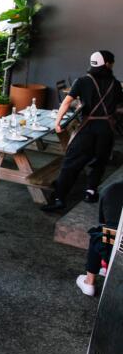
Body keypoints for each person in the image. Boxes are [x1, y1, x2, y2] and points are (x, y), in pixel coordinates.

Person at [42, 51, 123, 211]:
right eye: (111, 63)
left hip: (86, 129)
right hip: (106, 129)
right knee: (99, 161)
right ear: (107, 64)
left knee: (71, 163)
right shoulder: (115, 84)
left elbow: (66, 103)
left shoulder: (82, 81)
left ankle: (59, 198)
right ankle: (90, 192)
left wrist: (58, 122)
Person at [76, 180, 123, 296]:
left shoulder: (113, 189)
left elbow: (104, 223)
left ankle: (89, 282)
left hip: (114, 245)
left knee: (99, 234)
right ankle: (109, 266)